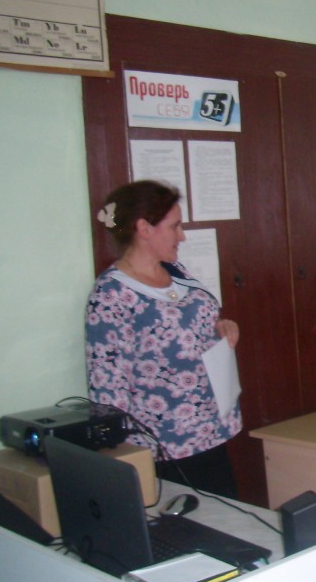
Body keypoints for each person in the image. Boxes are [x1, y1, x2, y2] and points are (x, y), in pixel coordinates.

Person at [85, 181, 242, 498]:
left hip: (211, 432)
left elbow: (188, 326)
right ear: (144, 228)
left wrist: (221, 328)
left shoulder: (176, 271)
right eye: (174, 226)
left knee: (231, 519)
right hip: (166, 450)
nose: (182, 236)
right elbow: (108, 391)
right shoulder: (111, 295)